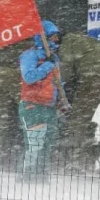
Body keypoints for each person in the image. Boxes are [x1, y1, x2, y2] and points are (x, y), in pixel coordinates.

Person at [57, 32, 100, 172]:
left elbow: (65, 74)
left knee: (79, 120)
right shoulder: (88, 41)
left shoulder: (67, 42)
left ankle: (77, 161)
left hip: (94, 76)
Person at [18, 21, 67, 182]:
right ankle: (27, 177)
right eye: (52, 37)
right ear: (43, 37)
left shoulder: (54, 58)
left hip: (49, 107)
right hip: (32, 105)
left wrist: (63, 100)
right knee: (34, 144)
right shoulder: (29, 55)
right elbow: (28, 77)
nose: (56, 41)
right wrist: (47, 65)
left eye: (57, 38)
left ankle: (42, 177)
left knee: (47, 144)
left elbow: (57, 82)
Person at [0, 40, 32, 169]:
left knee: (2, 119)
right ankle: (28, 158)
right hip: (14, 73)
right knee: (29, 112)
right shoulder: (30, 38)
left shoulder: (8, 35)